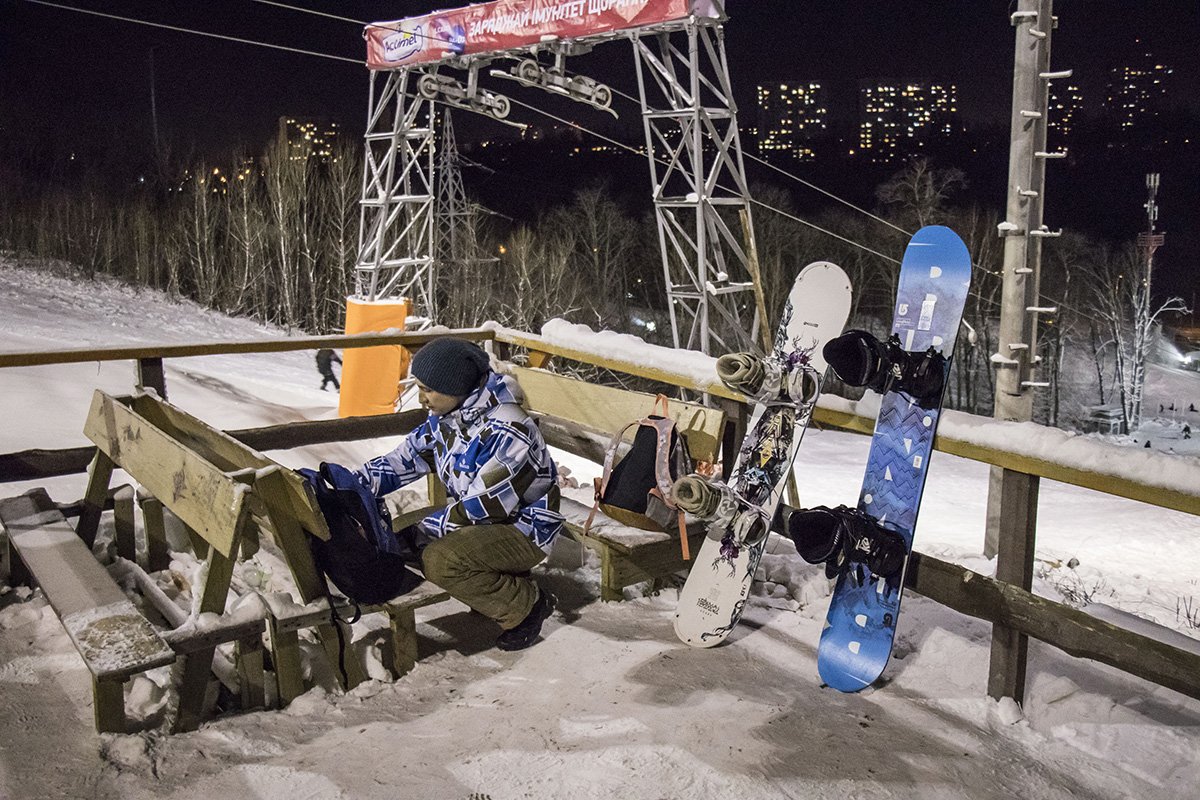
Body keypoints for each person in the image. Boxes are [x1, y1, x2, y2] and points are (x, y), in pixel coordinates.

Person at [356, 337, 564, 651]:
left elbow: (484, 506)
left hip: (526, 530)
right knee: (400, 536)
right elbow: (405, 459)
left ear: (457, 388)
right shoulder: (447, 421)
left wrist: (425, 533)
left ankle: (525, 604)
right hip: (492, 522)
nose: (421, 399)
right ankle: (498, 582)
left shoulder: (510, 430)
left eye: (427, 390)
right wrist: (353, 486)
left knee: (441, 560)